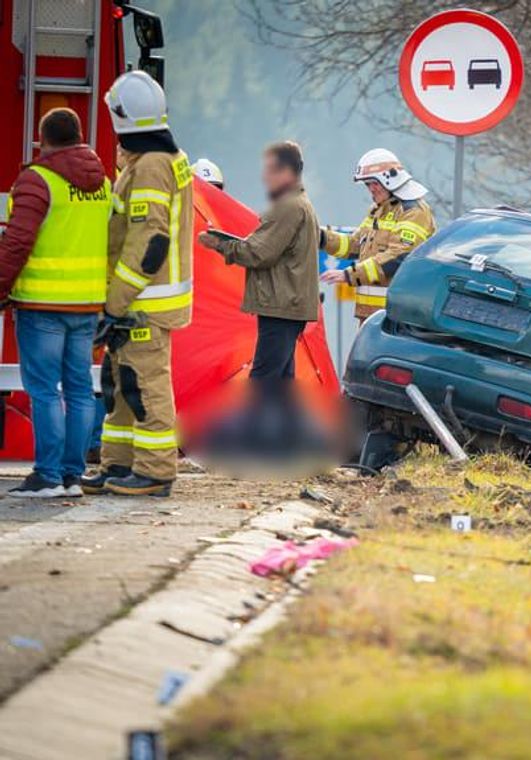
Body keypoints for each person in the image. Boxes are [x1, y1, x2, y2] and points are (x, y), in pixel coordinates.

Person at [81, 70, 194, 497]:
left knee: (145, 386)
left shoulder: (151, 167)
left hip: (142, 301)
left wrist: (114, 302)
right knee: (121, 386)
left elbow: (150, 242)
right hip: (138, 300)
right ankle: (119, 465)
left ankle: (155, 471)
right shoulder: (158, 160)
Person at [0, 108, 110, 497]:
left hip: (42, 304)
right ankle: (71, 477)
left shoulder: (38, 180)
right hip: (87, 304)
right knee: (80, 389)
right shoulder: (103, 184)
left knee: (45, 389)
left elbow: (17, 242)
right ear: (80, 137)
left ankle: (47, 476)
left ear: (43, 140)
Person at [198, 141, 319, 398]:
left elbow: (258, 252)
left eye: (270, 169)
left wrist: (220, 244)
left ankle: (252, 436)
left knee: (263, 380)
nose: (265, 176)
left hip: (281, 308)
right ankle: (288, 435)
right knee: (282, 382)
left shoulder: (289, 207)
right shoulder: (300, 204)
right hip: (288, 307)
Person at [319, 149, 436, 320]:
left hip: (397, 317)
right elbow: (354, 246)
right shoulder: (377, 210)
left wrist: (349, 275)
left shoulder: (414, 211)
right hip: (371, 316)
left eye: (374, 183)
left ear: (391, 178)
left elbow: (399, 257)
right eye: (367, 184)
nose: (371, 189)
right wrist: (320, 237)